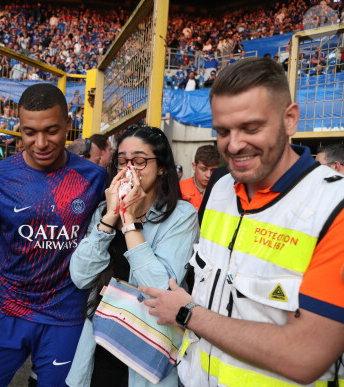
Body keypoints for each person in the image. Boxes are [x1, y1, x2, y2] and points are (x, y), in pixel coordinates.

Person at [140, 58, 344, 386]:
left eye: (251, 128)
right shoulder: (221, 187)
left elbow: (306, 355)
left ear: (290, 119)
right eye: (222, 131)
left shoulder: (335, 206)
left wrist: (187, 313)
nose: (233, 145)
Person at [0, 83, 108, 386]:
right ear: (20, 128)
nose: (40, 143)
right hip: (7, 310)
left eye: (52, 131)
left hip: (65, 318)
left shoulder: (93, 178)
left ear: (69, 124)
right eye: (30, 132)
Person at [66, 126, 199, 387]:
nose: (129, 169)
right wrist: (109, 219)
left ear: (161, 167)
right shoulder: (106, 209)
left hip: (147, 349)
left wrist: (129, 221)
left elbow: (162, 289)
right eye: (123, 161)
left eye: (139, 161)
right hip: (99, 344)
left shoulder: (182, 215)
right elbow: (80, 277)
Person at [179, 145, 220, 210]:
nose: (208, 175)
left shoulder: (222, 190)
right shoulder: (179, 188)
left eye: (213, 170)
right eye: (203, 169)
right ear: (194, 166)